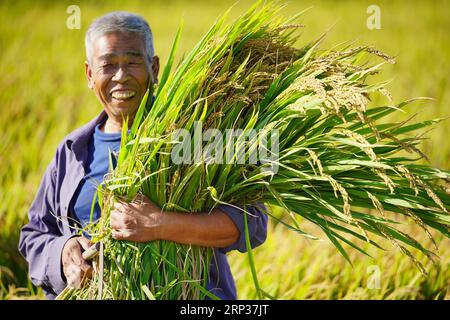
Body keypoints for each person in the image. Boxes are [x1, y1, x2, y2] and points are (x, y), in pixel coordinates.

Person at [18, 11, 268, 300]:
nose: (121, 76)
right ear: (90, 74)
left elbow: (251, 221)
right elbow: (34, 235)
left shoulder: (194, 139)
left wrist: (159, 224)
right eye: (108, 65)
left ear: (154, 68)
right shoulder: (72, 151)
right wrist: (63, 252)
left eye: (133, 62)